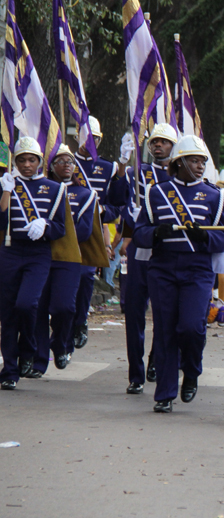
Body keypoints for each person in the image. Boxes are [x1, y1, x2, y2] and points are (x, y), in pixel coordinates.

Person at [134, 135, 224, 413]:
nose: (200, 166)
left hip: (198, 269)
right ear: (179, 162)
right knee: (165, 331)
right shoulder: (157, 192)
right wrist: (155, 233)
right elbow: (140, 232)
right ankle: (164, 393)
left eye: (202, 161)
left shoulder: (215, 195)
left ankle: (191, 370)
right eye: (194, 160)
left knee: (191, 327)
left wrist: (204, 238)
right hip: (162, 268)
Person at [107, 123, 177, 394]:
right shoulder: (138, 173)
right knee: (134, 313)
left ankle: (156, 359)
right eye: (154, 142)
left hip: (165, 250)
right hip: (137, 250)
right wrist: (122, 167)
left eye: (164, 142)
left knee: (164, 313)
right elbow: (114, 201)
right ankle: (135, 374)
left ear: (173, 147)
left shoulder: (177, 175)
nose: (158, 146)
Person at [0, 137, 68, 390]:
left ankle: (28, 348)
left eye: (31, 160)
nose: (26, 164)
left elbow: (61, 227)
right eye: (21, 160)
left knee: (26, 304)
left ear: (39, 161)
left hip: (38, 254)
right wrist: (6, 191)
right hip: (9, 249)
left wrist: (45, 225)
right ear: (15, 161)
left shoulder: (54, 188)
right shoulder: (6, 183)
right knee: (7, 313)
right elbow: (0, 220)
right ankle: (9, 370)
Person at [32, 145, 99, 376]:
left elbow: (82, 231)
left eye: (70, 160)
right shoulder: (41, 190)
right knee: (38, 309)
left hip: (69, 258)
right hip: (40, 256)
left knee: (64, 307)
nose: (67, 164)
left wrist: (50, 231)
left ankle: (61, 344)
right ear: (50, 166)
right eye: (60, 161)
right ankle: (39, 361)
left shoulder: (85, 194)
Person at [71, 116, 118, 350]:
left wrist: (103, 211)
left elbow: (116, 205)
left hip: (93, 233)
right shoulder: (65, 161)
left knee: (85, 277)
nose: (90, 142)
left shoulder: (108, 168)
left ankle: (80, 322)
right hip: (66, 227)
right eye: (86, 136)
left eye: (95, 138)